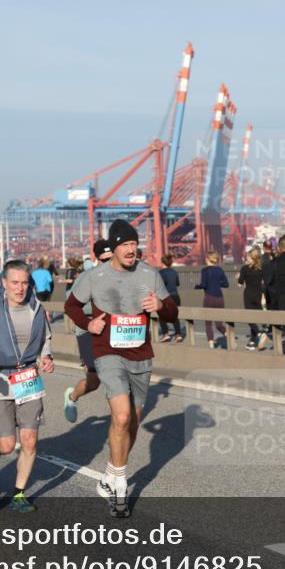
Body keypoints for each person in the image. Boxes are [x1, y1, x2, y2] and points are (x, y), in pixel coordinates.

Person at [64, 219, 178, 517]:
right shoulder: (94, 276)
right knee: (122, 414)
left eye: (133, 244)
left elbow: (172, 309)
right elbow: (72, 306)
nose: (131, 250)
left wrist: (161, 307)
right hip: (108, 352)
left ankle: (111, 474)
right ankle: (119, 486)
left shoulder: (149, 274)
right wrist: (88, 323)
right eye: (125, 245)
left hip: (141, 354)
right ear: (113, 248)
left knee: (133, 423)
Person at [0, 260, 55, 513]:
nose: (20, 288)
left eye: (24, 283)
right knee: (7, 444)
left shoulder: (37, 308)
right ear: (4, 283)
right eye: (14, 283)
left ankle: (19, 493)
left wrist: (47, 357)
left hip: (28, 377)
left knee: (29, 440)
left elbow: (46, 338)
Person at [63, 240, 114, 423]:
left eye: (111, 259)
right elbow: (71, 304)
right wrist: (90, 318)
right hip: (88, 331)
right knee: (94, 380)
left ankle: (119, 420)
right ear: (96, 258)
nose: (109, 263)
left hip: (113, 331)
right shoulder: (87, 277)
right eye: (104, 259)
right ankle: (72, 397)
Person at [237, 247, 268, 350]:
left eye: (248, 257)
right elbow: (265, 282)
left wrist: (238, 279)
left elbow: (240, 283)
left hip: (248, 295)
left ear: (253, 258)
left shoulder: (245, 269)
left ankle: (259, 334)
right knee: (255, 316)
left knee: (249, 318)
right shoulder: (262, 269)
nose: (246, 258)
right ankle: (253, 341)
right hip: (258, 294)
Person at [196, 251, 228, 349]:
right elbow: (226, 284)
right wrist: (217, 283)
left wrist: (197, 286)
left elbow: (204, 285)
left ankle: (211, 344)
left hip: (209, 298)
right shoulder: (220, 270)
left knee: (208, 323)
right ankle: (228, 335)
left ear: (207, 259)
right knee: (219, 324)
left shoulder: (205, 270)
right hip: (219, 298)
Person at [158, 255, 184, 343]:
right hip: (176, 296)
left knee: (161, 314)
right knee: (175, 316)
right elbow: (177, 283)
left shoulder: (161, 273)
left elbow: (161, 285)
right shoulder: (174, 272)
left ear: (162, 262)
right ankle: (178, 335)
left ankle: (166, 334)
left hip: (166, 297)